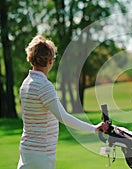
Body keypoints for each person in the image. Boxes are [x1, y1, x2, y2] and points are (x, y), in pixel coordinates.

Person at [17, 35, 108, 169]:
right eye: (53, 58)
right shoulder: (44, 85)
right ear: (49, 61)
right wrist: (94, 128)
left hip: (27, 151)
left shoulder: (26, 83)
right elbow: (63, 117)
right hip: (41, 155)